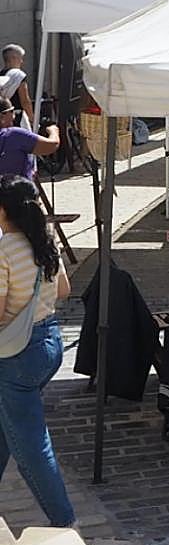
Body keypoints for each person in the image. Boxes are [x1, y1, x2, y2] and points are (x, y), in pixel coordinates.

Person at [0, 175, 73, 527]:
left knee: (30, 445)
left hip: (16, 353)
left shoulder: (4, 251)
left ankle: (64, 520)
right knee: (6, 425)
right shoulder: (45, 242)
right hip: (49, 342)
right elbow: (63, 291)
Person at [0, 97, 58, 180]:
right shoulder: (14, 135)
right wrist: (53, 131)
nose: (14, 116)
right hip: (16, 190)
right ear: (2, 116)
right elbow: (51, 146)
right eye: (12, 111)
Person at [0, 44, 34, 130]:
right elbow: (25, 101)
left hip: (2, 118)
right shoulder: (18, 75)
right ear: (13, 58)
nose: (22, 61)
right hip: (16, 117)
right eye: (20, 58)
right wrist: (32, 119)